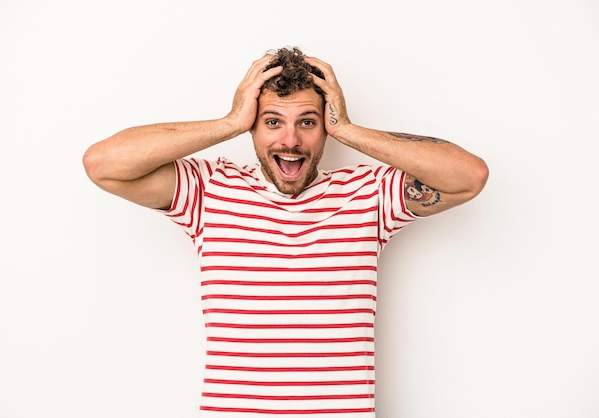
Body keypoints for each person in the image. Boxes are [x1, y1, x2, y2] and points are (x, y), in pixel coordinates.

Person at [83, 46, 488, 417]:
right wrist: (229, 122)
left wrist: (347, 128)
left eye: (308, 122)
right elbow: (103, 163)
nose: (290, 140)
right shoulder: (210, 191)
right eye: (272, 121)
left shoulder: (366, 195)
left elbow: (468, 177)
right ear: (252, 128)